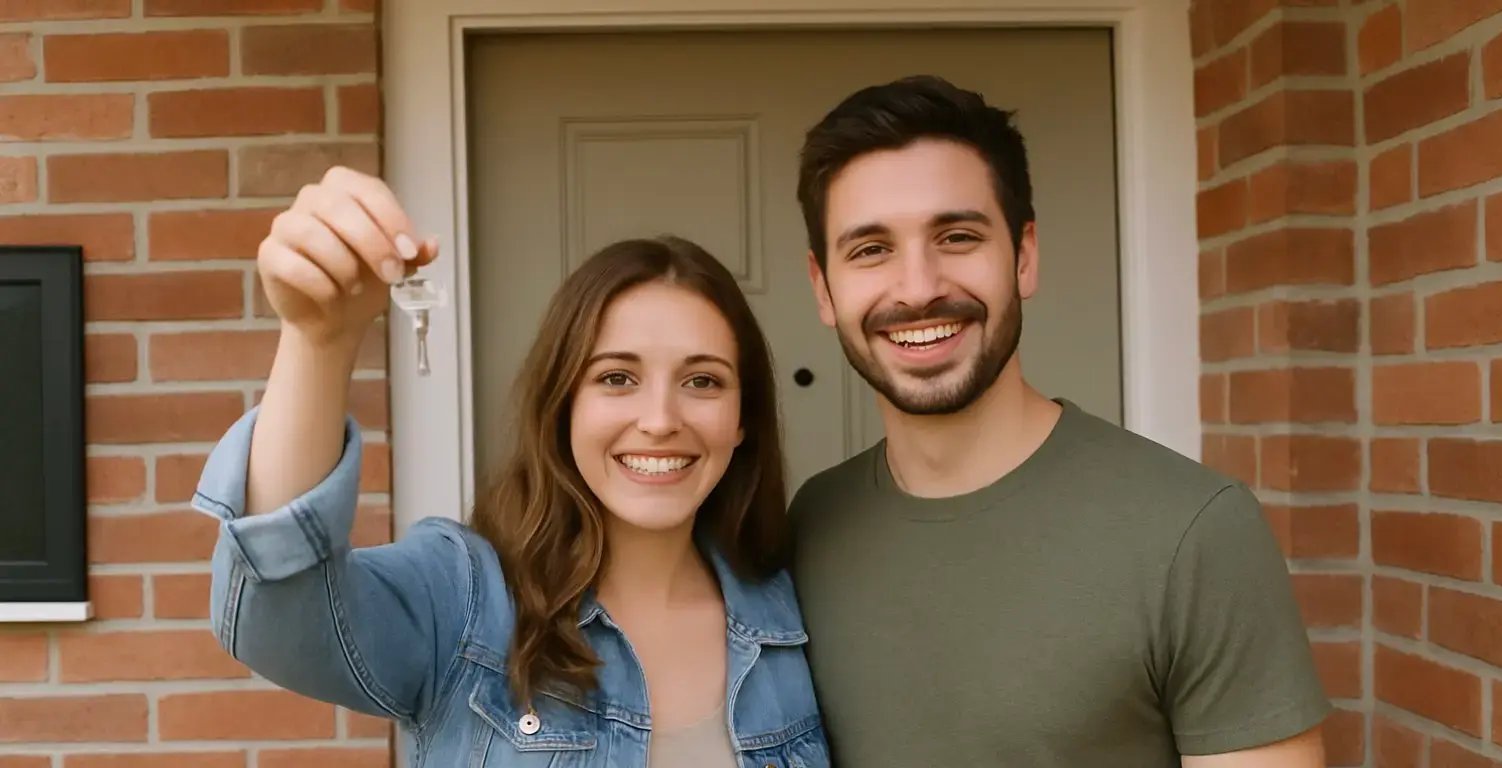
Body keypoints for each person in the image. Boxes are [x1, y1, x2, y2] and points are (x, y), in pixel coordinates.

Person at [191, 167, 829, 767]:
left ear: (742, 420)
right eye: (616, 377)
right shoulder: (465, 600)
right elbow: (275, 615)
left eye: (702, 380)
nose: (660, 418)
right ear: (562, 407)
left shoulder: (794, 617)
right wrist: (317, 340)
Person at [786, 75, 1331, 767]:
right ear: (822, 287)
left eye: (956, 236)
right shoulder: (813, 523)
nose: (918, 287)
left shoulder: (1194, 533)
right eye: (871, 249)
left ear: (1024, 255)